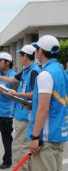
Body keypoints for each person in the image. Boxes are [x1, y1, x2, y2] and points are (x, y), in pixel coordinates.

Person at [0, 44, 40, 171]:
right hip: (18, 114)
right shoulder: (26, 70)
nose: (19, 57)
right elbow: (10, 79)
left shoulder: (34, 71)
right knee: (20, 147)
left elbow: (35, 94)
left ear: (25, 56)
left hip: (23, 115)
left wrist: (17, 94)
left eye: (20, 55)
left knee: (19, 147)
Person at [26, 35, 68, 171]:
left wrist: (35, 137)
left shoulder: (45, 74)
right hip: (58, 134)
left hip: (45, 138)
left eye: (36, 49)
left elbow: (43, 109)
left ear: (40, 51)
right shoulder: (62, 71)